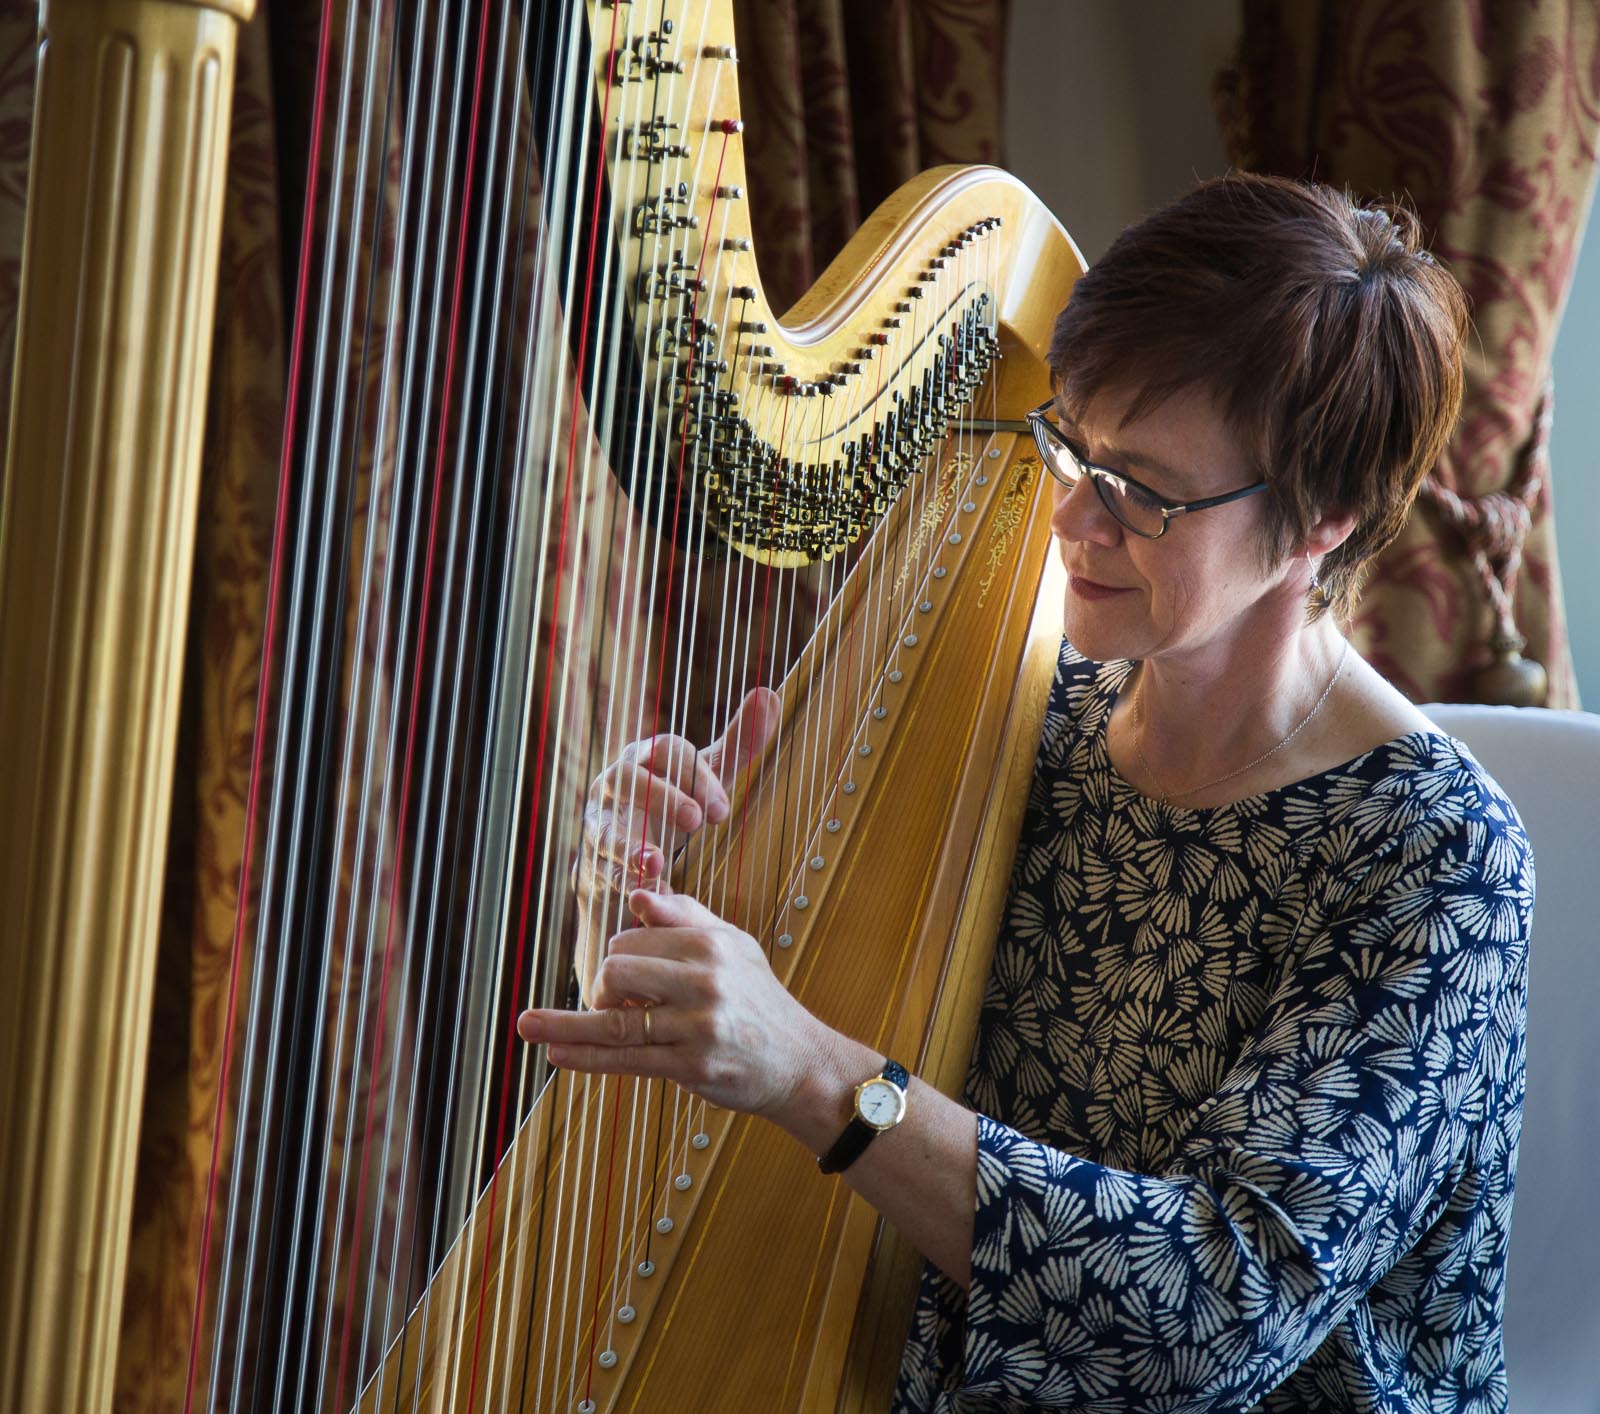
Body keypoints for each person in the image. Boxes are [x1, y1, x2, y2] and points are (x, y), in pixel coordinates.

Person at [516, 173, 1534, 1411]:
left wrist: (812, 1071)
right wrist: (634, 901)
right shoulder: (1020, 708)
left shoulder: (1433, 855)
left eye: (1142, 491)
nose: (1070, 517)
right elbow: (753, 1060)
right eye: (1073, 446)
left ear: (1320, 517)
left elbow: (1213, 1315)